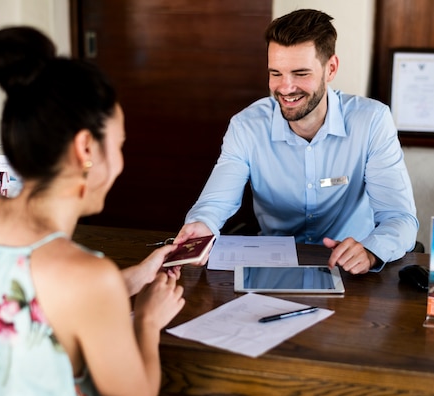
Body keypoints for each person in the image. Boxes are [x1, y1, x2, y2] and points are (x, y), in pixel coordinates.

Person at [0, 26, 185, 396]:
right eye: (118, 145)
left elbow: (38, 302)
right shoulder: (88, 276)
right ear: (85, 148)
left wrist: (132, 280)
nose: (120, 162)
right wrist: (149, 319)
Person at [175, 9, 418, 274]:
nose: (285, 87)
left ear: (331, 68)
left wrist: (372, 250)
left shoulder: (372, 121)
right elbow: (215, 204)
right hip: (272, 269)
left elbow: (400, 218)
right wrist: (201, 225)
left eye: (300, 73)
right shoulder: (246, 127)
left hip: (350, 272)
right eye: (275, 73)